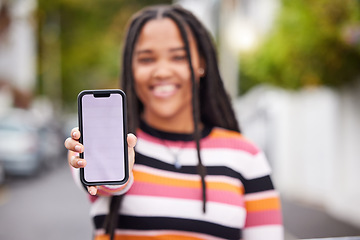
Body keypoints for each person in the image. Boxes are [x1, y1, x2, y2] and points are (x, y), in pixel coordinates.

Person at [64, 4, 283, 240]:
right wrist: (112, 169)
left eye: (179, 57)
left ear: (202, 64)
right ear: (131, 68)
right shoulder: (113, 145)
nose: (162, 71)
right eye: (147, 59)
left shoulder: (246, 157)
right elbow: (103, 185)